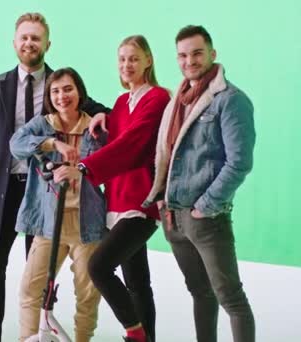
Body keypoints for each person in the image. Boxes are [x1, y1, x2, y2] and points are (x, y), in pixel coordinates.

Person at [0, 12, 108, 342]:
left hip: (46, 192)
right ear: (15, 42)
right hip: (3, 189)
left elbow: (94, 113)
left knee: (42, 274)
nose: (29, 43)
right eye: (24, 37)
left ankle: (41, 334)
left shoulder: (60, 84)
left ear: (47, 44)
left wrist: (103, 114)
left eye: (36, 38)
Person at [143, 25, 256, 342]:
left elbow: (239, 162)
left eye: (196, 53)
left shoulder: (230, 101)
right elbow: (168, 152)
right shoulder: (178, 100)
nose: (189, 61)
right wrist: (164, 199)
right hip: (174, 217)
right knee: (200, 293)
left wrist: (205, 207)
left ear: (212, 54)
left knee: (231, 298)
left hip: (206, 219)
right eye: (182, 55)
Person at [78, 35, 171, 342]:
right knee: (137, 283)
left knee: (99, 267)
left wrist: (86, 166)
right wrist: (104, 116)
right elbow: (115, 137)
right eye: (122, 59)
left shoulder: (158, 98)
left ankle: (135, 333)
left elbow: (133, 145)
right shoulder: (120, 103)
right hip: (115, 202)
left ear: (149, 60)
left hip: (141, 202)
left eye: (133, 58)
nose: (127, 65)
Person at [10, 67, 106, 342]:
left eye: (68, 89)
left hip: (87, 223)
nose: (62, 96)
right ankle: (29, 339)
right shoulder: (42, 124)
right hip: (49, 222)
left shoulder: (95, 127)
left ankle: (82, 339)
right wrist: (53, 144)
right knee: (31, 288)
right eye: (55, 91)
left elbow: (112, 160)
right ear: (49, 96)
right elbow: (16, 144)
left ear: (79, 92)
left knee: (87, 293)